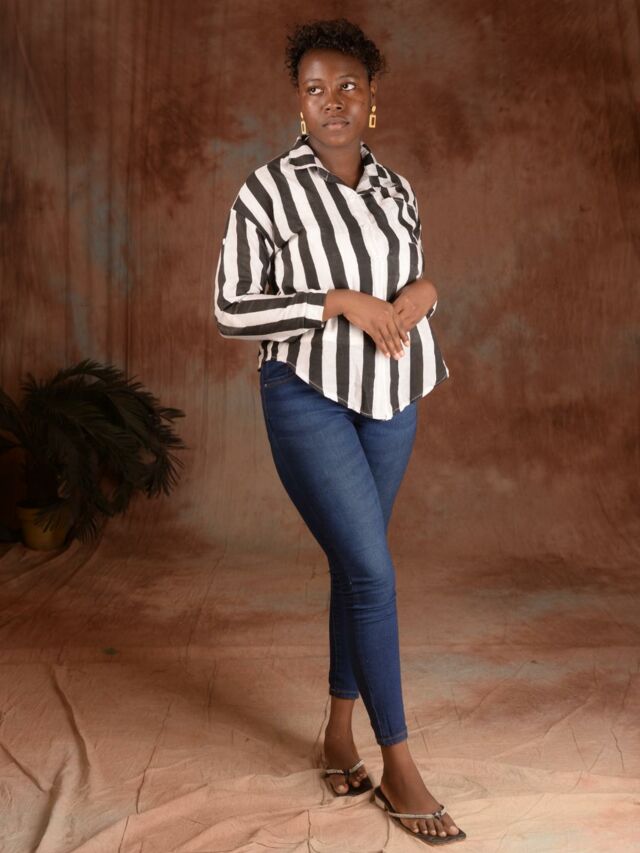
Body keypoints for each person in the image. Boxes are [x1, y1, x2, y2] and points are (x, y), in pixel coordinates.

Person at [214, 17, 465, 846]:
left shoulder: (396, 188)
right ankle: (400, 764)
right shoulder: (266, 191)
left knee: (358, 567)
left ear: (371, 98)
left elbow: (409, 279)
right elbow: (231, 307)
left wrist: (425, 292)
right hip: (307, 395)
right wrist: (333, 302)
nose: (332, 101)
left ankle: (336, 733)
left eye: (348, 86)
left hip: (392, 396)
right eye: (315, 88)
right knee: (372, 570)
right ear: (298, 101)